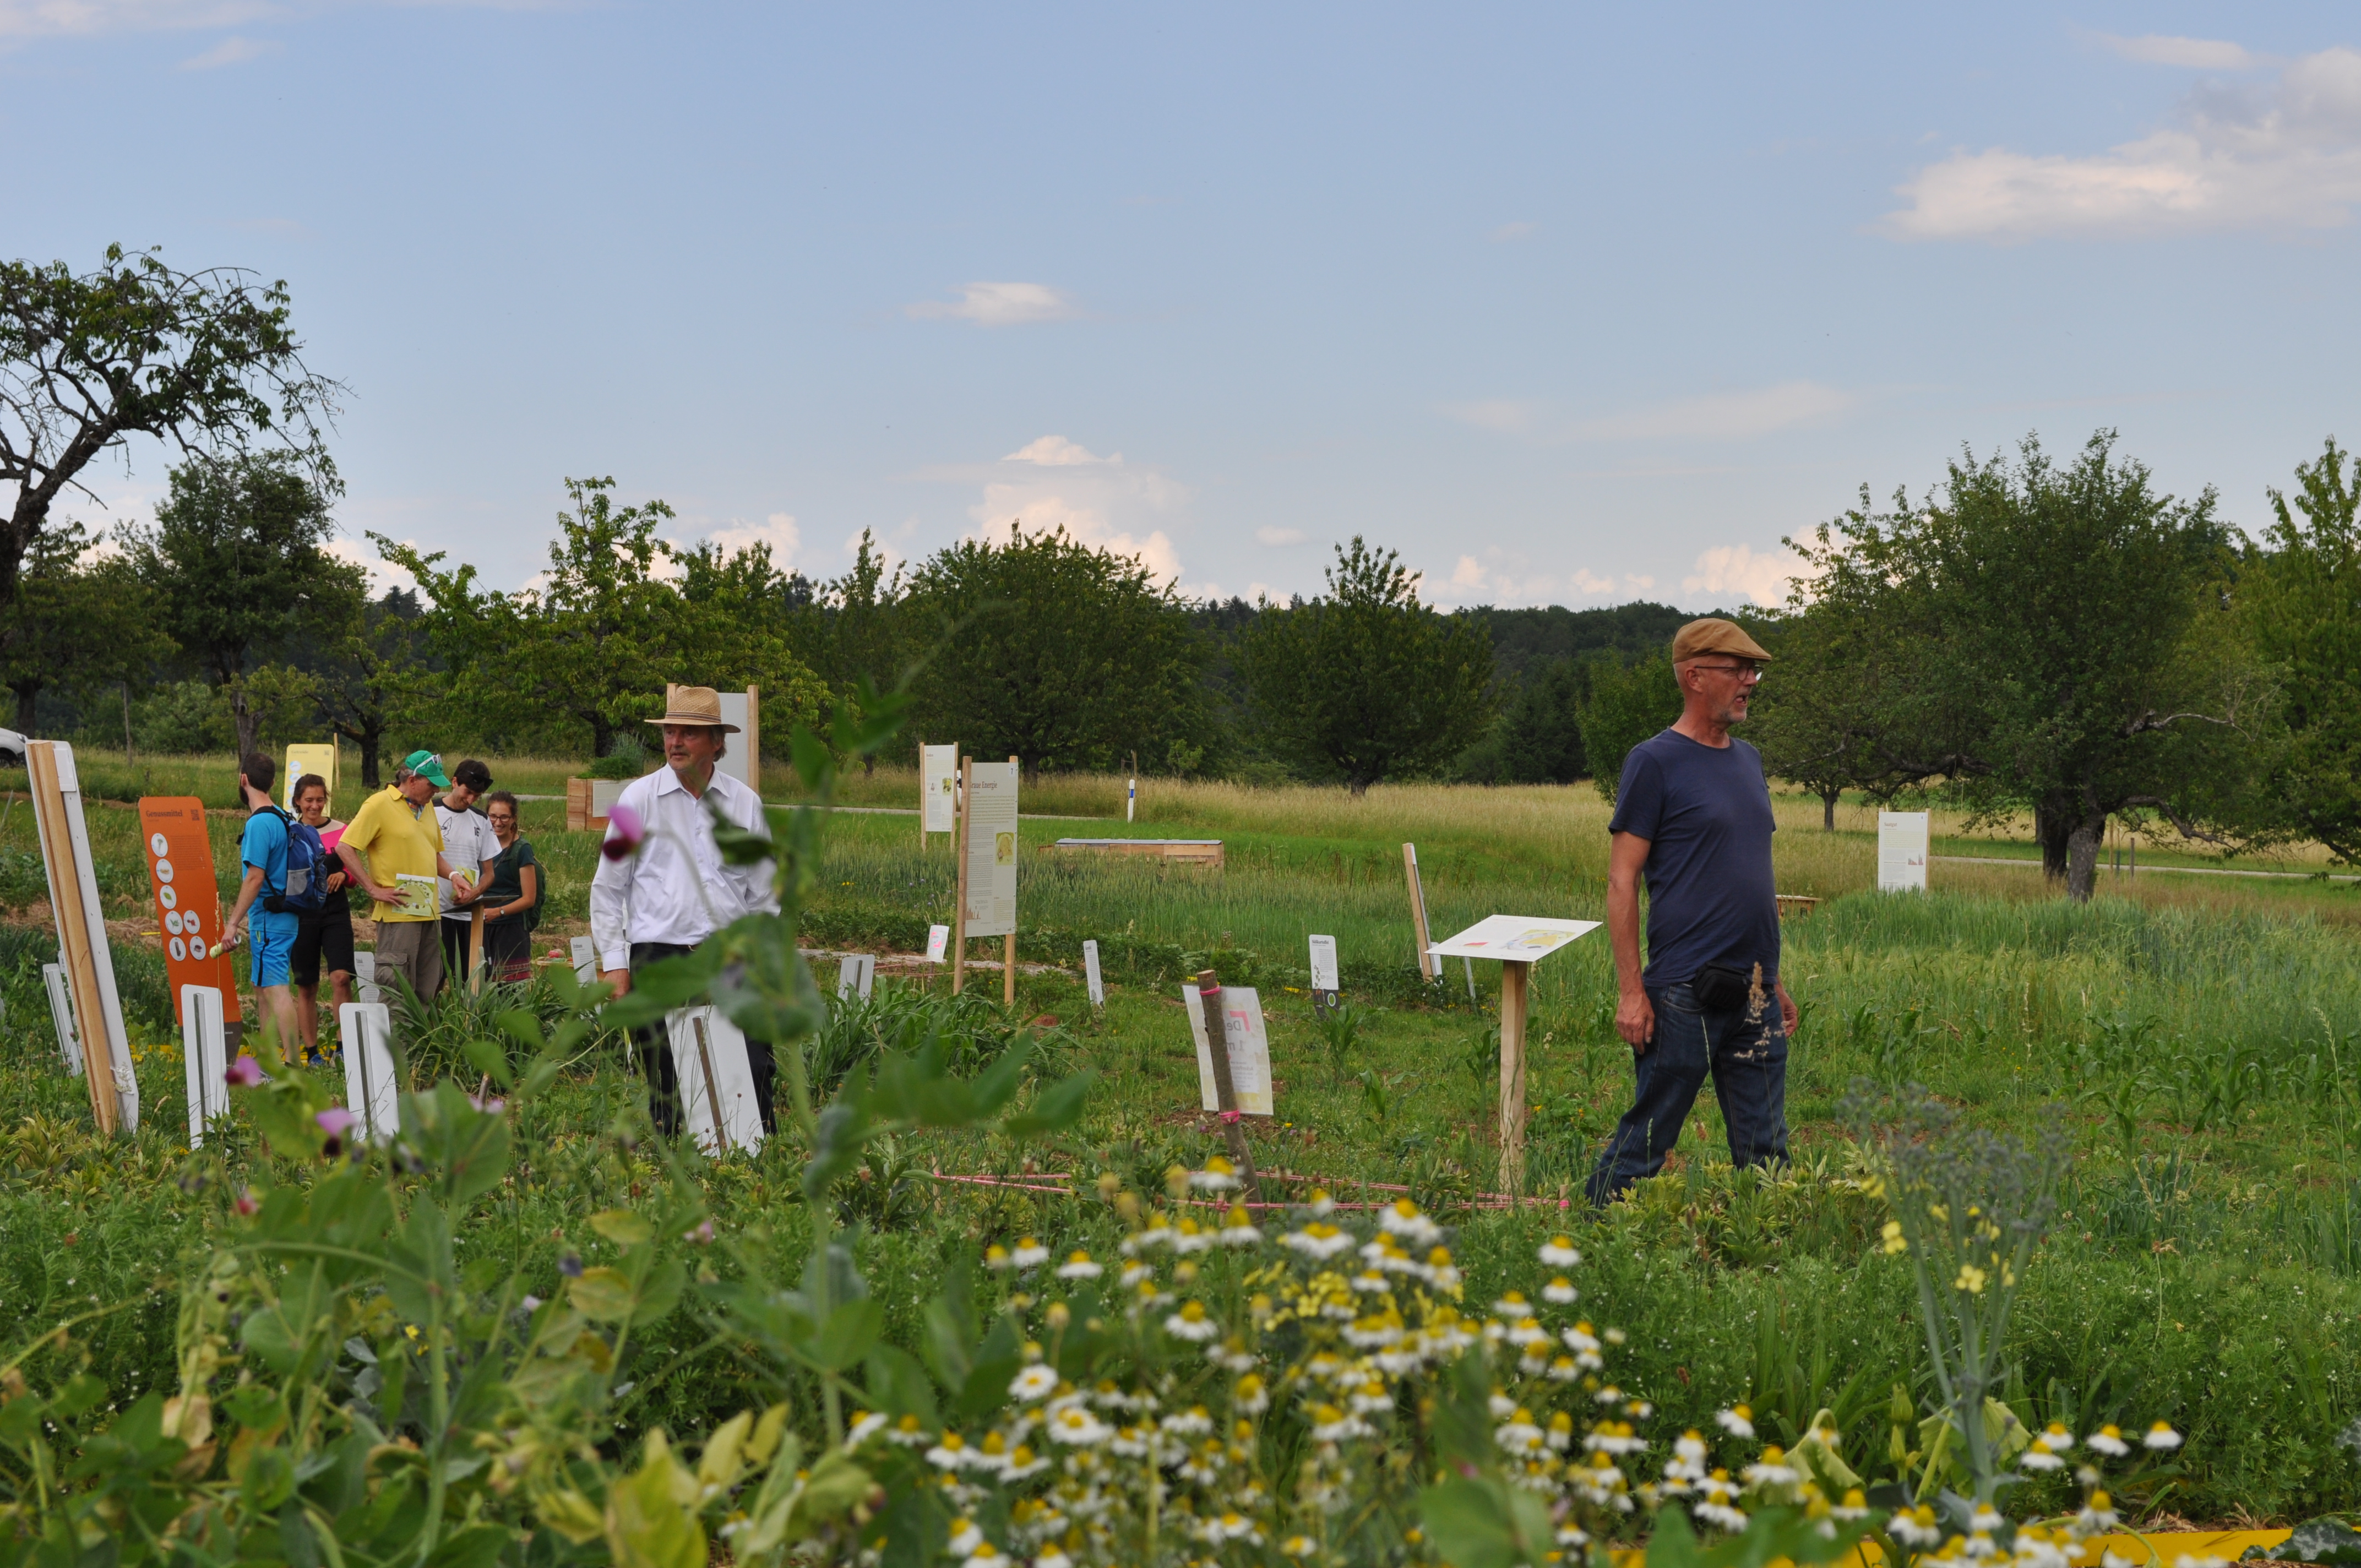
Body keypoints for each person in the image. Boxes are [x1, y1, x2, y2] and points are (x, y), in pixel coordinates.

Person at [1587, 618, 1799, 1205]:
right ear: (1694, 676)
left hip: (1755, 992)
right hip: (1683, 991)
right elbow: (1621, 880)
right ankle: (1594, 1232)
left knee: (1767, 1147)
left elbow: (1754, 873)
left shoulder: (1749, 760)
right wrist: (1632, 992)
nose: (1750, 682)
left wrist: (1775, 979)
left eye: (1753, 672)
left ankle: (1766, 1245)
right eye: (1738, 670)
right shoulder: (1654, 762)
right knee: (1648, 1140)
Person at [590, 684, 779, 1135]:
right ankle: (671, 1157)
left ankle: (758, 1153)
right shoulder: (637, 800)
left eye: (688, 733)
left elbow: (765, 896)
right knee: (665, 1073)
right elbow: (609, 889)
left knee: (753, 1062)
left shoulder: (744, 804)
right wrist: (615, 964)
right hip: (659, 956)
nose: (675, 742)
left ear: (717, 742)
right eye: (669, 731)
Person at [336, 749, 483, 1008]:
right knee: (396, 987)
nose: (436, 791)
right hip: (398, 914)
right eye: (431, 784)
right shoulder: (378, 804)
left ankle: (420, 1035)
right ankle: (393, 1036)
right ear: (412, 780)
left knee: (428, 987)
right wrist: (372, 889)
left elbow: (433, 852)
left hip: (430, 912)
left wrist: (454, 875)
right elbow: (345, 847)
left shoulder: (428, 809)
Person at [220, 751, 302, 1056]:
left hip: (270, 919)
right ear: (273, 782)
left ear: (243, 779)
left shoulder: (259, 823)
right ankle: (268, 1059)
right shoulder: (283, 816)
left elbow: (255, 878)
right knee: (262, 987)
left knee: (276, 988)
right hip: (283, 914)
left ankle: (293, 1064)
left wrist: (232, 924)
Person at [288, 773, 356, 1064]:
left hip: (335, 912)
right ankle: (313, 1052)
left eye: (320, 800)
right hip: (303, 915)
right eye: (309, 800)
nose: (315, 806)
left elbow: (355, 872)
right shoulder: (290, 832)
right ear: (297, 802)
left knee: (341, 978)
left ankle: (343, 1048)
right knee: (307, 986)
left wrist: (344, 875)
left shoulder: (343, 831)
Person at [435, 759, 498, 990]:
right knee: (435, 979)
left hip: (470, 915)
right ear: (454, 782)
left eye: (477, 796)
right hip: (437, 912)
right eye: (468, 792)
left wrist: (475, 893)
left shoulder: (481, 820)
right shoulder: (430, 811)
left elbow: (489, 873)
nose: (471, 800)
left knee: (475, 982)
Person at [476, 790, 541, 983]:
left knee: (510, 989)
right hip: (481, 928)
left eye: (504, 817)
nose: (498, 822)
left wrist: (498, 912)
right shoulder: (479, 845)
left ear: (514, 819)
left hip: (511, 930)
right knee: (479, 986)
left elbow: (529, 899)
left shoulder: (522, 850)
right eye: (493, 816)